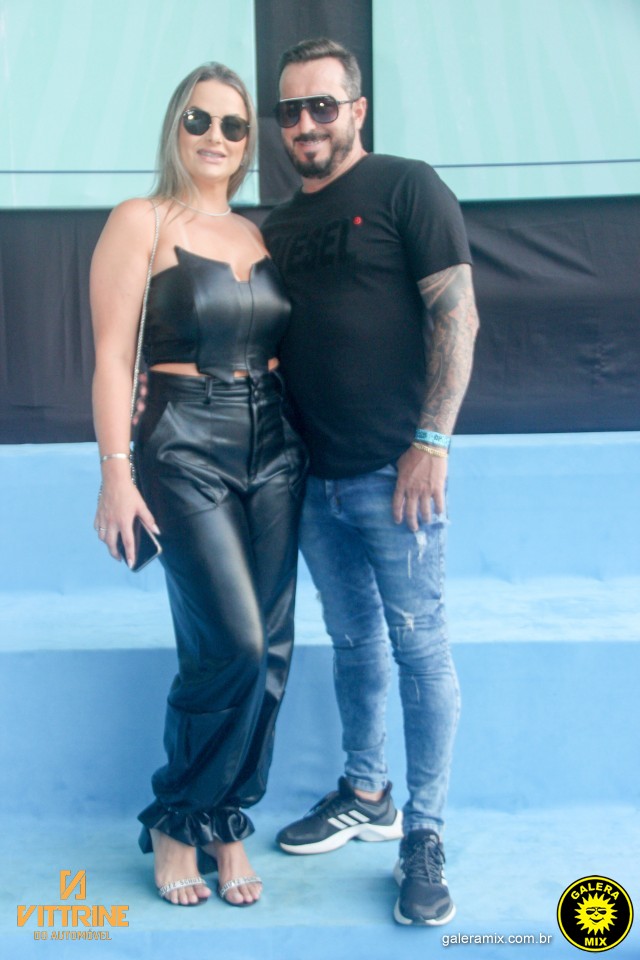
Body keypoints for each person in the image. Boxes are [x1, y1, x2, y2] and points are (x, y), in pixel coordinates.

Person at [261, 38, 479, 926]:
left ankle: (423, 833)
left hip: (398, 476)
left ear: (357, 110)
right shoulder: (277, 226)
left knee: (420, 649)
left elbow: (457, 313)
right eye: (291, 110)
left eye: (323, 105)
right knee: (354, 644)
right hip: (313, 483)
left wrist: (432, 440)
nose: (306, 123)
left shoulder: (406, 187)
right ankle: (367, 793)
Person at [91, 62, 306, 907]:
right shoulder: (139, 220)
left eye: (233, 125)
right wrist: (115, 473)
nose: (216, 137)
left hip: (275, 443)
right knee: (234, 646)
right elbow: (114, 356)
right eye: (199, 120)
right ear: (175, 128)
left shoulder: (258, 234)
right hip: (183, 441)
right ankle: (178, 819)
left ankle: (226, 819)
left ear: (249, 144)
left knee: (274, 653)